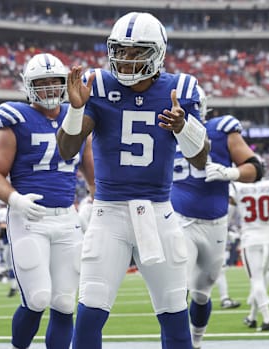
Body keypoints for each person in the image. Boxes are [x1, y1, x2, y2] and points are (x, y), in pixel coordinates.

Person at [56, 12, 210, 349]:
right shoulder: (97, 84)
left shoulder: (180, 89)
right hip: (108, 213)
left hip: (158, 214)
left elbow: (201, 159)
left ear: (157, 53)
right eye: (120, 51)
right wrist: (76, 109)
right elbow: (67, 150)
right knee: (89, 317)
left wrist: (184, 127)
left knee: (174, 318)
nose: (125, 60)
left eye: (135, 52)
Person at [0, 52, 94, 349]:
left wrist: (100, 201)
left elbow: (91, 171)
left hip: (66, 217)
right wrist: (15, 200)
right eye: (40, 83)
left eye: (53, 82)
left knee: (63, 303)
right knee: (37, 298)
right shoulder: (16, 118)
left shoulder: (78, 118)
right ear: (28, 86)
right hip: (29, 218)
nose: (47, 89)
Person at [171, 85, 263, 348]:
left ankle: (196, 341)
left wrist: (231, 173)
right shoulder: (164, 127)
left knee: (202, 292)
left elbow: (256, 168)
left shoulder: (221, 130)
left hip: (215, 224)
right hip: (179, 219)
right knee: (177, 289)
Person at [229, 161, 269, 332]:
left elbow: (228, 213)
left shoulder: (236, 187)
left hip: (251, 239)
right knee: (261, 279)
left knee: (256, 280)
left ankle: (267, 319)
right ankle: (252, 317)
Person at [0, 206, 18, 298]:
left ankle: (14, 287)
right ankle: (16, 286)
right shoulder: (14, 209)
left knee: (10, 266)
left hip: (9, 242)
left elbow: (3, 226)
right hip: (17, 240)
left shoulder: (2, 211)